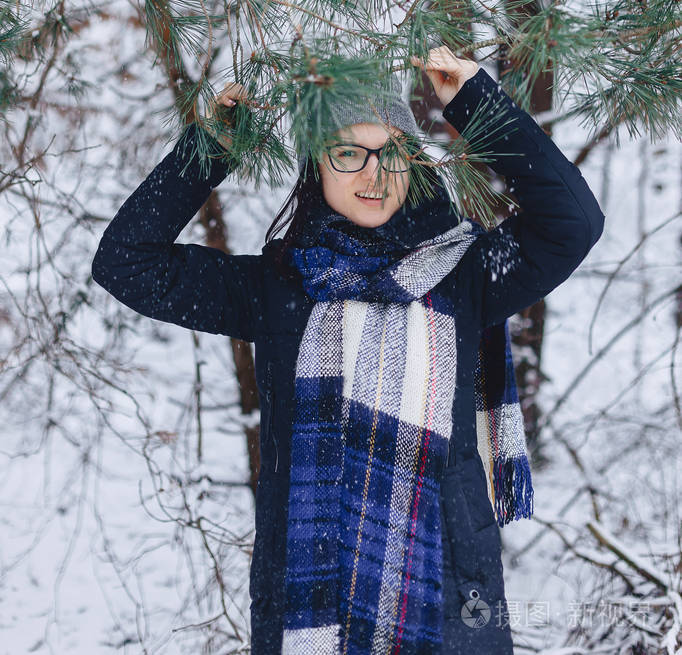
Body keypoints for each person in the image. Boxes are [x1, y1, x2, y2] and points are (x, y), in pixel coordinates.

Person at [91, 46, 605, 655]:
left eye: (391, 151)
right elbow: (127, 263)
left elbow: (573, 222)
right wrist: (211, 149)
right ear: (316, 166)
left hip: (448, 602)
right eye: (347, 153)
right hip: (313, 606)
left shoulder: (463, 278)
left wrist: (474, 103)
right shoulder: (276, 289)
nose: (373, 172)